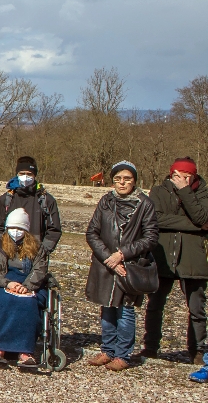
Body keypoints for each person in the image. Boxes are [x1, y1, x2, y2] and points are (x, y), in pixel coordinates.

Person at [85, 161, 159, 372]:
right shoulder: (106, 201)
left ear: (134, 180)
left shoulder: (145, 204)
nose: (122, 183)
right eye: (118, 179)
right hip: (105, 265)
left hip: (130, 265)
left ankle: (123, 354)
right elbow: (92, 232)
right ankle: (107, 350)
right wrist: (108, 257)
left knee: (124, 311)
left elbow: (151, 238)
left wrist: (122, 255)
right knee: (107, 308)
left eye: (127, 179)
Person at [144, 158, 207, 374]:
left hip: (194, 257)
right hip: (163, 255)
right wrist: (197, 226)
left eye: (188, 176)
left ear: (195, 176)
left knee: (197, 307)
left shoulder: (203, 192)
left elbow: (202, 215)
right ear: (172, 174)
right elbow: (156, 219)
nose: (183, 179)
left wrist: (186, 192)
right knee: (155, 304)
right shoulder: (159, 191)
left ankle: (197, 350)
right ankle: (150, 347)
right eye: (179, 175)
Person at [0, 208, 51, 369]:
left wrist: (27, 287)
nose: (16, 232)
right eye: (13, 228)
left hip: (30, 283)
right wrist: (7, 283)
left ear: (26, 230)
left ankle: (25, 352)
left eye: (20, 229)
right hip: (4, 282)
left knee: (28, 304)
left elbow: (40, 270)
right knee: (5, 300)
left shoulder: (38, 247)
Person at [0, 156, 62, 255]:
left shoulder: (47, 200)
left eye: (29, 174)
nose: (25, 177)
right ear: (17, 174)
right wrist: (2, 246)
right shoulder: (6, 199)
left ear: (34, 175)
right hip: (8, 253)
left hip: (36, 253)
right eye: (22, 173)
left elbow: (54, 229)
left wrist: (44, 250)